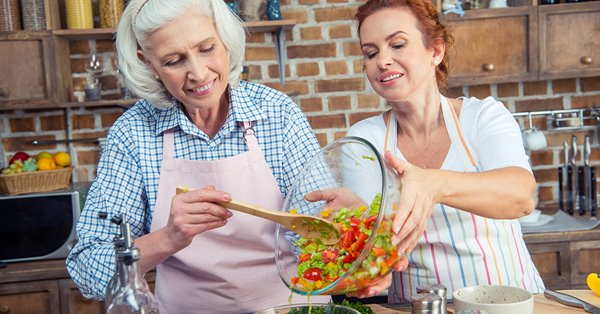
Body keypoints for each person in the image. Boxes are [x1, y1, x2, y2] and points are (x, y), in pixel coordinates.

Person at [65, 0, 330, 312]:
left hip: (292, 308)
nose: (198, 73)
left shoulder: (277, 114)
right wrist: (167, 238)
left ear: (224, 38)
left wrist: (341, 229)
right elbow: (87, 268)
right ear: (148, 63)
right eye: (174, 61)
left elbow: (322, 234)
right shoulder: (133, 133)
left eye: (207, 48)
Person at [346, 0, 545, 302]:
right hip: (418, 308)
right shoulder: (364, 140)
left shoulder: (482, 117)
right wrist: (371, 267)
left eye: (397, 44)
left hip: (509, 304)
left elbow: (520, 197)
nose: (382, 61)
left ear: (435, 51)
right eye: (370, 53)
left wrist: (433, 183)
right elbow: (371, 243)